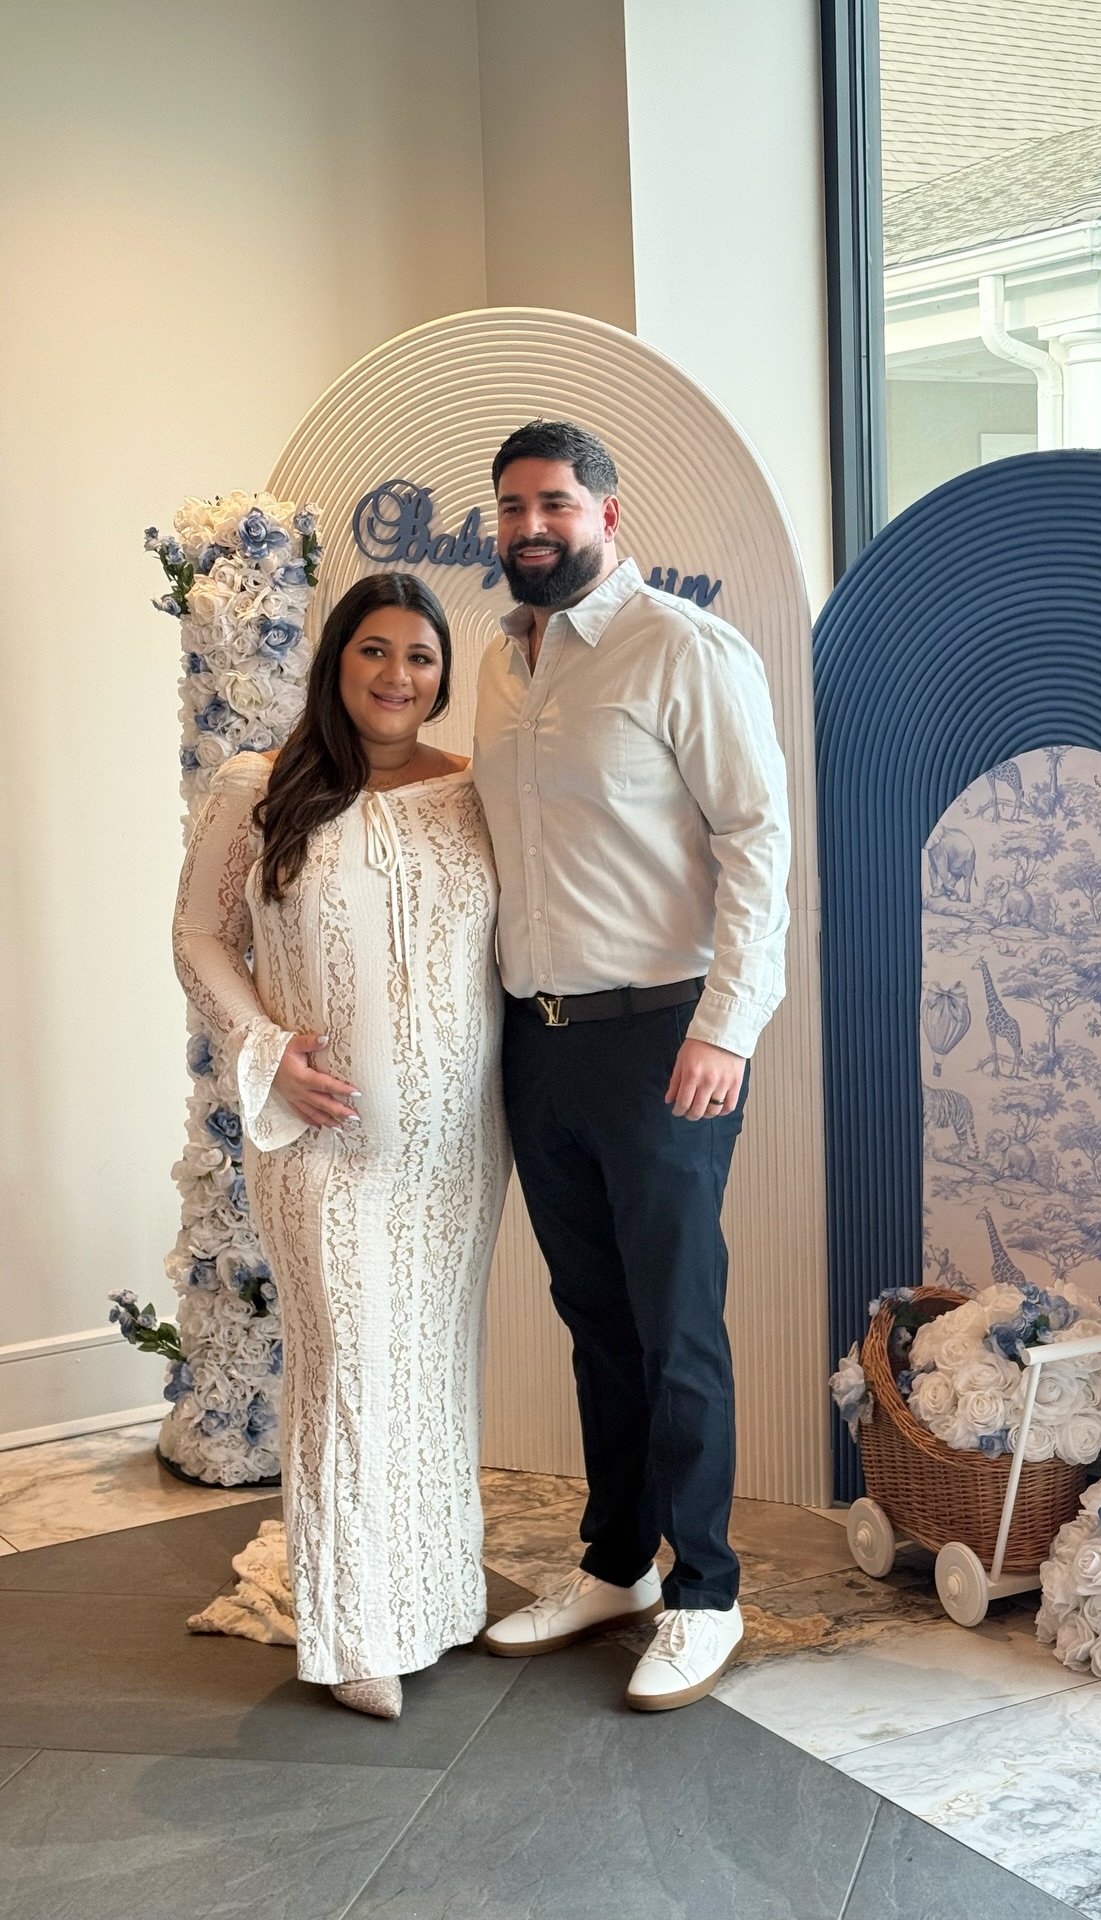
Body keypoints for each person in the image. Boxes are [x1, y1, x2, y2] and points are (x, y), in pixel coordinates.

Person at [473, 418, 791, 1710]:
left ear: (609, 510)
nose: (530, 527)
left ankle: (705, 1587)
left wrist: (728, 1027)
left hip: (666, 1041)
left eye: (554, 503)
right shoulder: (501, 663)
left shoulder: (685, 649)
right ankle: (617, 1565)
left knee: (675, 1327)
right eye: (510, 508)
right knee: (594, 1321)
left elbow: (760, 847)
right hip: (536, 1046)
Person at [173, 572, 507, 1720]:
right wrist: (264, 1046)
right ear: (336, 661)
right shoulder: (260, 790)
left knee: (429, 1367)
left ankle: (434, 1598)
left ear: (443, 678)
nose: (397, 677)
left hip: (458, 1149)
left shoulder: (476, 792)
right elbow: (198, 936)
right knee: (351, 1364)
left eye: (421, 657)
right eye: (375, 651)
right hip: (320, 1144)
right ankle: (356, 1628)